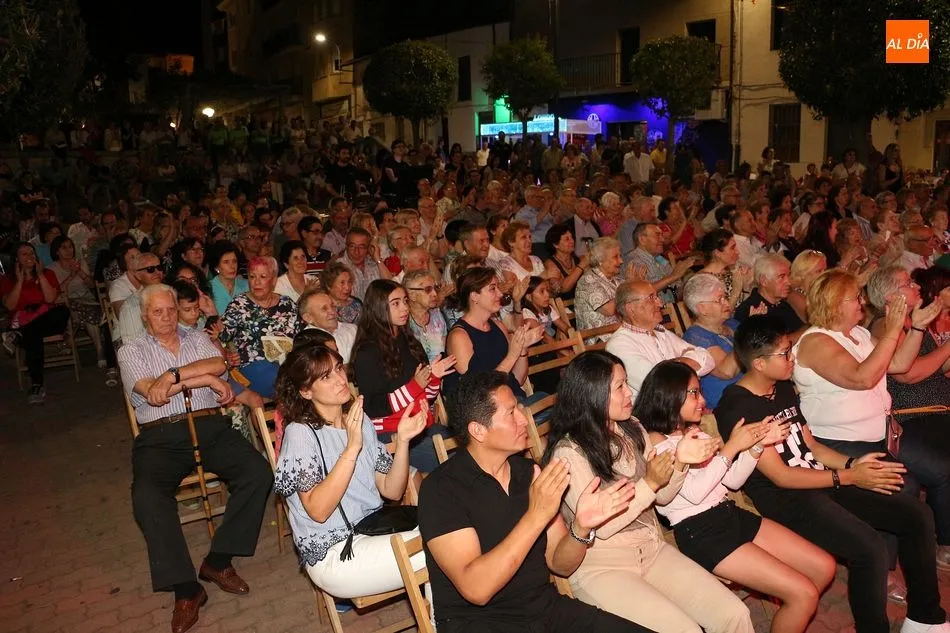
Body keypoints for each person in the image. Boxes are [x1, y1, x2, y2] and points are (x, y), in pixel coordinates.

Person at [717, 315, 950, 633]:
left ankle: (924, 618)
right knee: (868, 548)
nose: (793, 357)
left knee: (916, 514)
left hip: (821, 479)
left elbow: (812, 446)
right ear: (758, 363)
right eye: (784, 353)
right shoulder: (737, 408)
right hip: (786, 497)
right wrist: (849, 477)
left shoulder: (781, 388)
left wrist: (854, 465)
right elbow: (781, 477)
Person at [418, 371, 648, 633]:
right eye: (511, 413)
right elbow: (476, 589)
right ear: (478, 431)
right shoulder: (441, 489)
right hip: (481, 623)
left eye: (519, 408)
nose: (523, 419)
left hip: (545, 610)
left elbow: (561, 564)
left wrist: (581, 528)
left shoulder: (529, 473)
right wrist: (536, 516)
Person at [543, 352, 752, 633]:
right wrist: (650, 483)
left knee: (734, 614)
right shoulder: (570, 453)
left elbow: (662, 497)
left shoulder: (633, 428)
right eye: (619, 387)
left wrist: (680, 463)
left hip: (651, 549)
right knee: (685, 630)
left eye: (626, 383)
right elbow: (602, 528)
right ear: (592, 394)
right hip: (605, 565)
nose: (629, 392)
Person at [117, 283, 272, 633]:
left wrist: (173, 375)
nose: (166, 317)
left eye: (171, 309)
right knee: (147, 497)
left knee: (258, 472)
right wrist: (204, 379)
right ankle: (186, 589)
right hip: (160, 435)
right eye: (157, 311)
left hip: (209, 427)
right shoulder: (131, 350)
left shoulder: (197, 338)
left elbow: (218, 363)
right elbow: (150, 392)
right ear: (144, 315)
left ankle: (218, 560)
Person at [638, 361, 834, 633]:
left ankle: (790, 613)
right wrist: (731, 448)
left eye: (700, 392)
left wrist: (755, 447)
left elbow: (731, 480)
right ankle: (793, 604)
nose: (702, 400)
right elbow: (693, 495)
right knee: (804, 593)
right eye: (694, 393)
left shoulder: (694, 432)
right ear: (669, 394)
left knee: (823, 567)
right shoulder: (656, 441)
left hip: (729, 514)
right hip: (701, 532)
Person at [273, 345, 429, 607]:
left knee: (452, 530)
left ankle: (440, 622)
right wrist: (352, 447)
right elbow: (318, 511)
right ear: (306, 391)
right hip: (336, 553)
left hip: (375, 530)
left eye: (338, 368)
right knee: (444, 548)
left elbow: (391, 490)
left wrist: (402, 442)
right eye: (326, 377)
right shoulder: (300, 434)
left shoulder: (359, 420)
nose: (340, 379)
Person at [351, 279, 456, 472]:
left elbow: (426, 397)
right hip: (390, 434)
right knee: (457, 462)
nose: (405, 308)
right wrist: (415, 386)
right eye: (396, 303)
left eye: (405, 301)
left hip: (420, 425)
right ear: (378, 308)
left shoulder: (409, 341)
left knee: (472, 446)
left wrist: (434, 378)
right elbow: (373, 407)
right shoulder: (367, 352)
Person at [443, 267, 544, 402]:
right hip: (487, 409)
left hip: (514, 400)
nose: (500, 294)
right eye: (492, 289)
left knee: (548, 399)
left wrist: (522, 349)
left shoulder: (499, 326)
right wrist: (512, 354)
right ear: (474, 296)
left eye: (498, 288)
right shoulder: (459, 337)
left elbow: (519, 379)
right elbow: (481, 391)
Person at [605, 280, 715, 398]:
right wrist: (687, 361)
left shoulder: (661, 332)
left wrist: (673, 364)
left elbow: (708, 359)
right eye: (651, 298)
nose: (660, 303)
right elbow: (659, 384)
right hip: (656, 409)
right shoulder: (619, 345)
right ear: (631, 308)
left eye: (657, 297)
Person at [219, 256, 299, 398]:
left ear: (273, 280)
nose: (256, 282)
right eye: (252, 276)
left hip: (287, 363)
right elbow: (222, 335)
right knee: (281, 380)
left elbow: (299, 335)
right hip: (254, 365)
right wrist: (228, 354)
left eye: (263, 277)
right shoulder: (239, 304)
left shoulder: (287, 303)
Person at [1, 242, 71, 403]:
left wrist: (40, 275)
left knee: (62, 311)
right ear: (16, 259)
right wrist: (20, 281)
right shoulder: (8, 280)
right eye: (24, 254)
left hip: (48, 320)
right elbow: (10, 305)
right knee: (33, 336)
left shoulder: (48, 273)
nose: (30, 256)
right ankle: (37, 385)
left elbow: (50, 299)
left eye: (32, 253)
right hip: (23, 322)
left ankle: (18, 335)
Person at [681, 273, 742, 408]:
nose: (727, 303)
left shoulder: (731, 323)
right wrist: (747, 334)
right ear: (702, 308)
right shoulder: (695, 337)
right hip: (729, 401)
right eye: (719, 300)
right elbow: (727, 372)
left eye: (725, 297)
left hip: (753, 389)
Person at [298, 287, 357, 363]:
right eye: (324, 309)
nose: (332, 311)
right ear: (308, 318)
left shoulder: (353, 329)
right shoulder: (305, 343)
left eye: (332, 306)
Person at [404, 269, 449, 363]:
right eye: (428, 290)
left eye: (435, 288)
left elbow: (443, 352)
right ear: (412, 295)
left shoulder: (437, 315)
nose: (435, 294)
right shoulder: (404, 321)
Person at [207, 241, 249, 317]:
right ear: (216, 266)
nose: (232, 266)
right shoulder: (208, 288)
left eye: (234, 261)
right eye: (226, 262)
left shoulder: (247, 285)